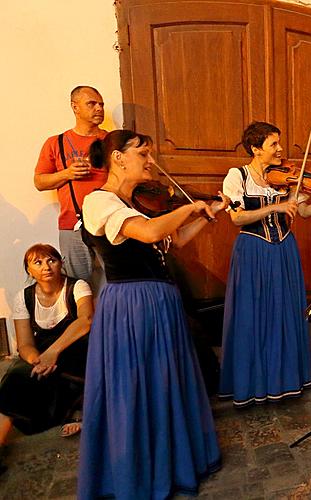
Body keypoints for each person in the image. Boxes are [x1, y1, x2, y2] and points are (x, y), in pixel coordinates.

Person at [77, 130, 225, 499]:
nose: (151, 160)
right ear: (118, 158)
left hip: (158, 303)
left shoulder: (137, 204)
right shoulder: (98, 201)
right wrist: (188, 206)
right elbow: (146, 233)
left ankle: (170, 462)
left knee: (165, 381)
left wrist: (209, 214)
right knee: (138, 385)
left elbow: (174, 240)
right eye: (143, 153)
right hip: (131, 305)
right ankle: (136, 473)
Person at [219, 121, 311, 406]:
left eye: (279, 143)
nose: (280, 149)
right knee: (254, 314)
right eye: (273, 144)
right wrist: (275, 206)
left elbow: (305, 211)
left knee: (284, 312)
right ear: (255, 148)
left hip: (284, 249)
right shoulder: (236, 177)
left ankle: (285, 379)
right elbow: (237, 218)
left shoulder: (286, 178)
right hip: (253, 250)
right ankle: (254, 383)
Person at [0, 244, 92, 473]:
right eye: (37, 263)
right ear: (29, 270)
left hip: (76, 346)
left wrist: (53, 353)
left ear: (61, 263)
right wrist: (37, 361)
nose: (46, 267)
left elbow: (86, 320)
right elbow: (24, 344)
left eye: (51, 260)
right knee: (16, 377)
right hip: (41, 354)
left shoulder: (77, 287)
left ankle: (79, 412)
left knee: (65, 376)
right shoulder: (24, 296)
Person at [34, 86, 107, 288]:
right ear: (75, 107)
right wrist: (67, 173)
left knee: (119, 283)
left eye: (101, 104)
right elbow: (39, 182)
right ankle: (84, 320)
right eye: (91, 104)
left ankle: (117, 320)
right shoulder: (55, 143)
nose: (99, 108)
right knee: (79, 288)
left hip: (108, 222)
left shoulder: (112, 141)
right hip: (72, 223)